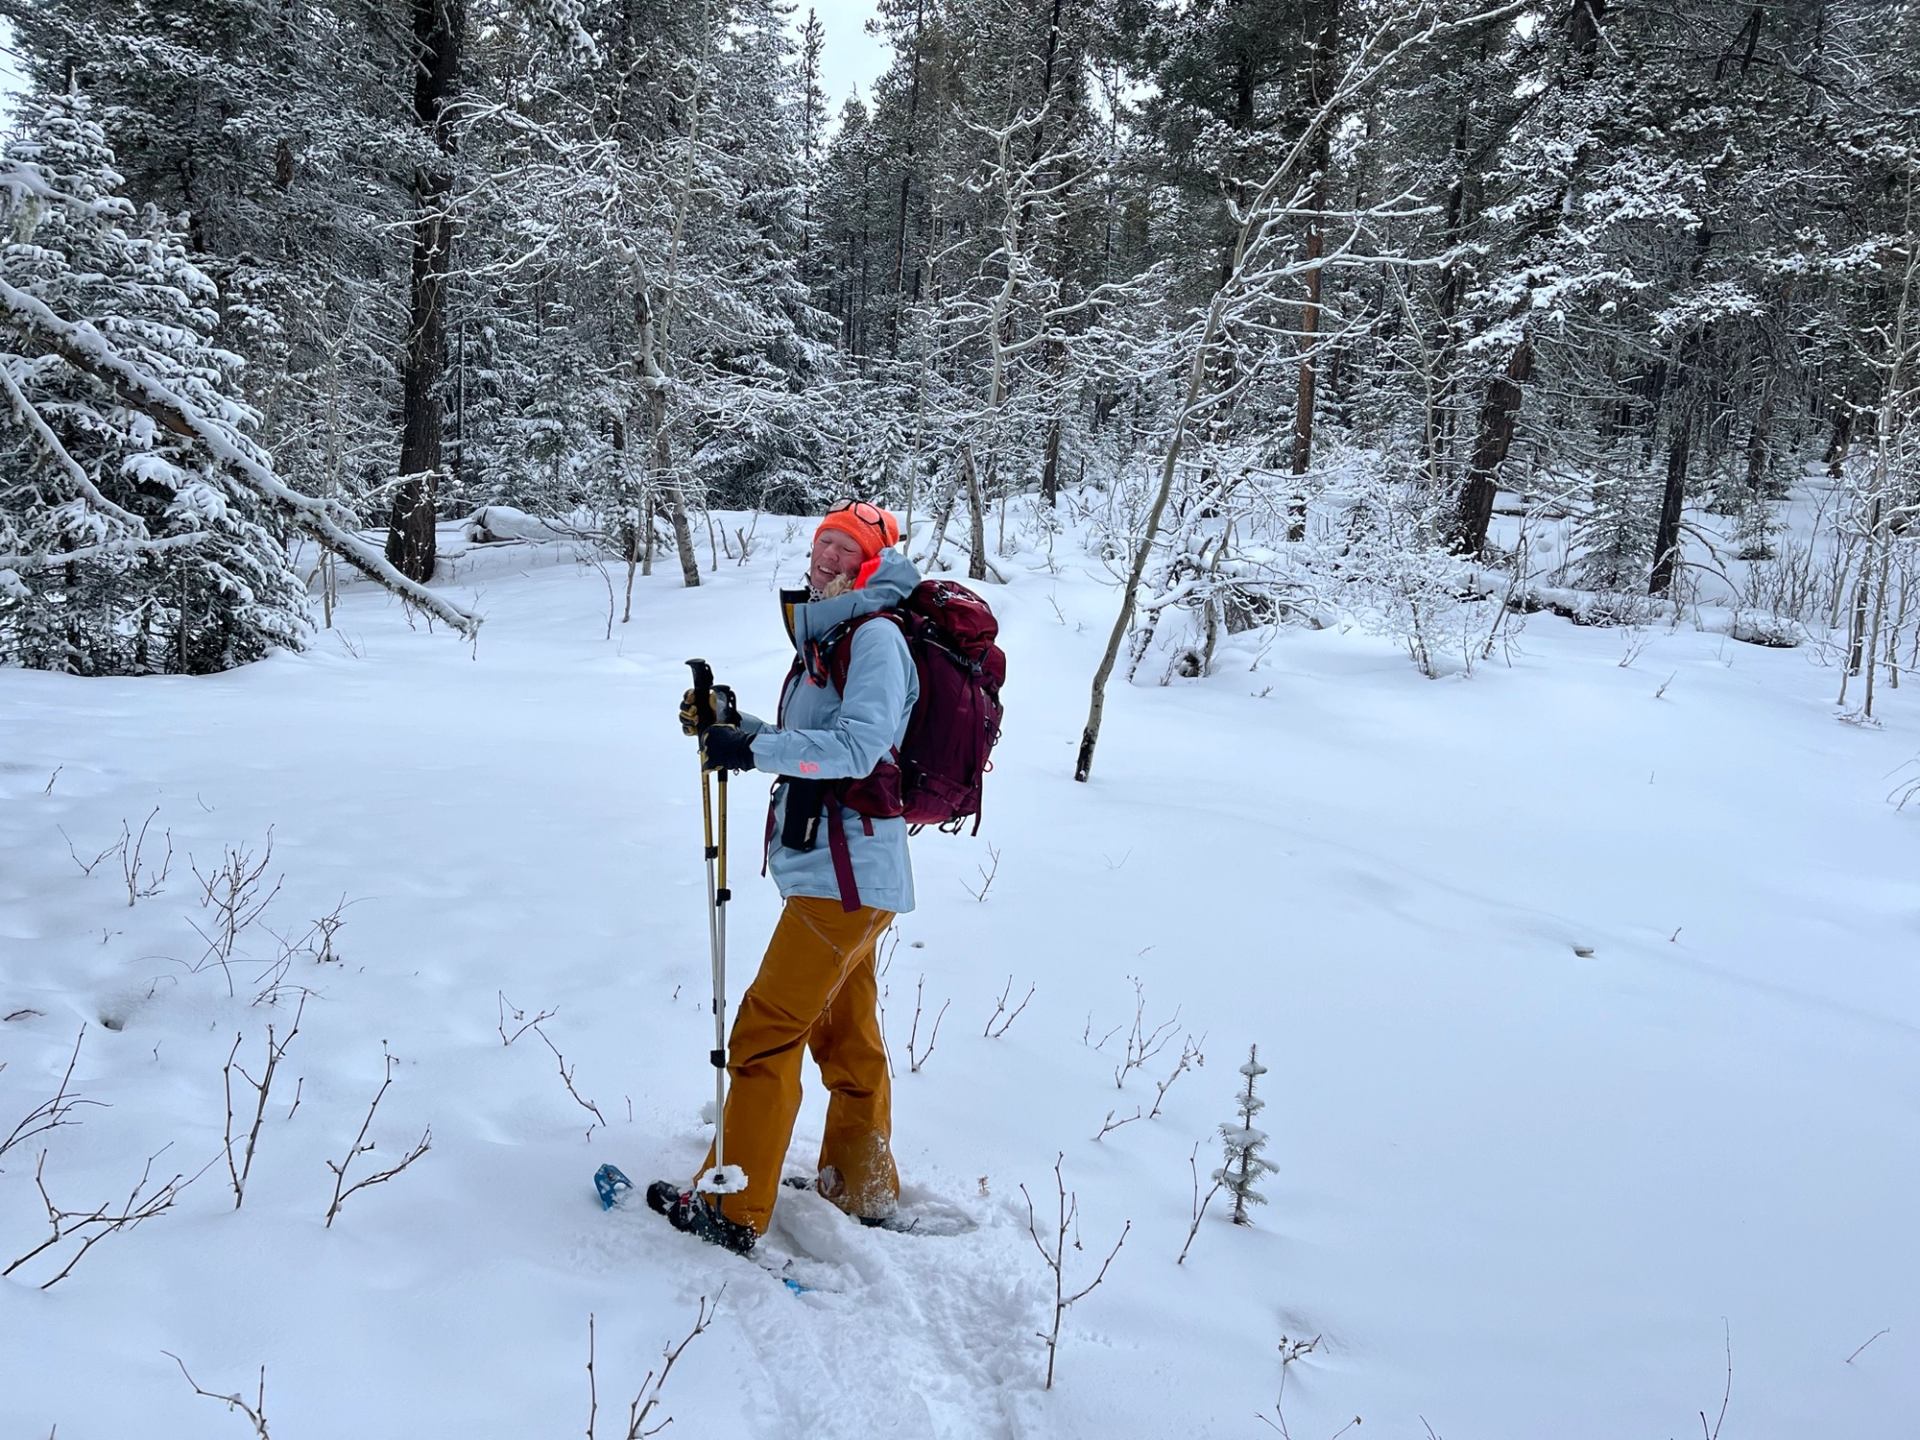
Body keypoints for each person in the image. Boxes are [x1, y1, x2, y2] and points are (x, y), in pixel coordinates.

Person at [649, 500, 921, 1254]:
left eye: (846, 550)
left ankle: (731, 1208)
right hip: (847, 876)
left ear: (871, 564)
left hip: (845, 878)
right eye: (822, 545)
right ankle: (859, 1187)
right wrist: (736, 728)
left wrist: (754, 752)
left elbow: (859, 749)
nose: (827, 559)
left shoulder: (873, 638)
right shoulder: (831, 639)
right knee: (847, 1037)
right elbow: (817, 739)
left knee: (765, 1035)